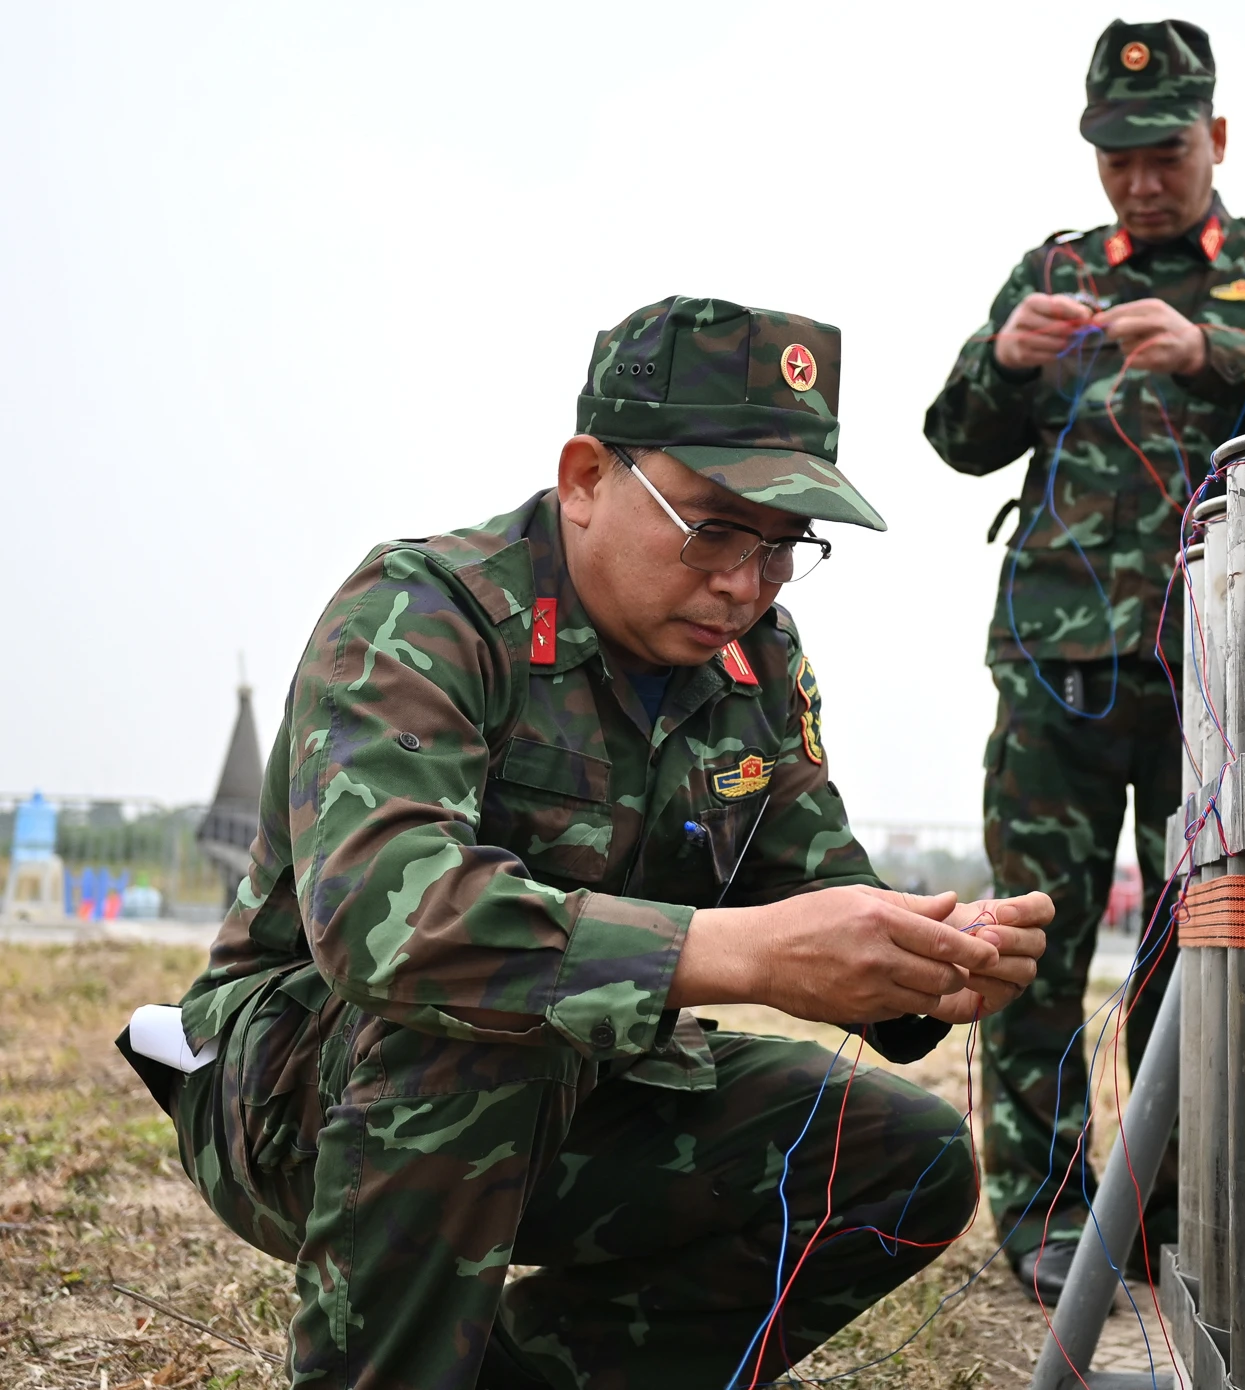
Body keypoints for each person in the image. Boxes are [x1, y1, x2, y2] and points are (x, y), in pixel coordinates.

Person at [148, 296, 1052, 1390]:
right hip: (308, 1093)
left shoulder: (752, 660)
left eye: (783, 546)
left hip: (587, 1086)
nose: (743, 581)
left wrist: (927, 957)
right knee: (482, 1024)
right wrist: (747, 956)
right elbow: (393, 923)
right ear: (584, 479)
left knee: (903, 1158)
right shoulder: (428, 611)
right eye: (713, 526)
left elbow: (811, 878)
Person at [921, 18, 1245, 1301]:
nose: (1140, 179)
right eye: (1116, 158)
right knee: (1033, 949)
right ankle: (1050, 1217)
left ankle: (1169, 1217)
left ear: (1214, 137)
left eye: (1162, 151)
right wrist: (1002, 360)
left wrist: (1208, 353)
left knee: (1197, 946)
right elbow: (954, 437)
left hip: (1227, 670)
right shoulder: (1049, 270)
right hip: (1053, 668)